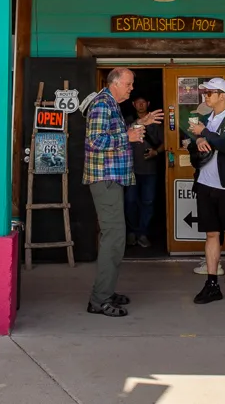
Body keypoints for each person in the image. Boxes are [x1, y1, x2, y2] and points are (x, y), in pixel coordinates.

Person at [82, 67, 159, 317]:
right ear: (114, 83)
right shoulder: (103, 104)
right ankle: (99, 299)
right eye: (128, 84)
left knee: (115, 237)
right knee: (114, 238)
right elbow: (95, 141)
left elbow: (114, 133)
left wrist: (140, 123)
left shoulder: (111, 104)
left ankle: (106, 290)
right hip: (105, 178)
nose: (131, 88)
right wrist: (128, 135)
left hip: (111, 178)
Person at [185, 78, 225, 306]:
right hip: (205, 183)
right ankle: (212, 284)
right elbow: (190, 143)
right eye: (205, 93)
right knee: (211, 234)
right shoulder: (204, 120)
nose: (206, 96)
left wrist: (205, 134)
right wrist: (199, 138)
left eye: (210, 92)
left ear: (222, 95)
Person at [125, 95, 164, 249]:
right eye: (138, 102)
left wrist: (156, 152)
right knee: (130, 202)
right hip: (130, 169)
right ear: (133, 104)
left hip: (150, 170)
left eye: (143, 102)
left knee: (148, 202)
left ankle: (143, 233)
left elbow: (168, 140)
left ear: (148, 103)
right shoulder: (127, 121)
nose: (141, 105)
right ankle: (132, 232)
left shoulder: (156, 122)